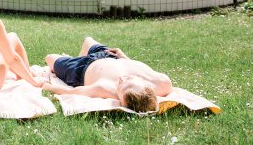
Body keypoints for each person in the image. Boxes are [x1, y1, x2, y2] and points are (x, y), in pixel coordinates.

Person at [43, 37, 173, 112]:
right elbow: (134, 67)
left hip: (81, 68)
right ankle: (75, 57)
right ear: (147, 87)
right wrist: (123, 57)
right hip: (111, 56)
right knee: (88, 40)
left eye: (120, 85)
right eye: (128, 79)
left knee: (50, 58)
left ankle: (73, 60)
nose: (121, 78)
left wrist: (47, 87)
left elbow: (72, 92)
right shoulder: (163, 83)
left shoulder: (105, 88)